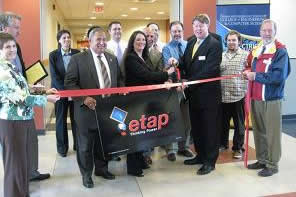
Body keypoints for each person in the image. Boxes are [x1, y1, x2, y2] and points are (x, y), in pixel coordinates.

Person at [0, 32, 59, 197]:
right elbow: (21, 98)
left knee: (22, 165)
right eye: (7, 47)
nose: (12, 50)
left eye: (13, 46)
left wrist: (43, 90)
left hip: (22, 120)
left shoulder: (9, 66)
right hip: (13, 123)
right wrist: (46, 98)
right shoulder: (2, 70)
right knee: (15, 167)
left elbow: (22, 87)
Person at [65, 27, 120, 188]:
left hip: (107, 111)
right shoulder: (77, 59)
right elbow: (69, 83)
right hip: (86, 111)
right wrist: (84, 97)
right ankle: (87, 175)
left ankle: (102, 169)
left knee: (104, 144)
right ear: (90, 41)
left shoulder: (112, 58)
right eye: (98, 39)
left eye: (104, 39)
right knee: (85, 146)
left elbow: (119, 80)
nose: (102, 42)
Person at [169, 14, 222, 175]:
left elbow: (210, 70)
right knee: (197, 128)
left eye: (201, 26)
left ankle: (210, 161)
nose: (198, 29)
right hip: (194, 94)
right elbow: (185, 62)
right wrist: (177, 63)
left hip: (209, 95)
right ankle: (200, 155)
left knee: (209, 129)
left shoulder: (214, 44)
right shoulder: (192, 41)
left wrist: (188, 81)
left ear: (208, 26)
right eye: (196, 26)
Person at [244, 19, 291, 177]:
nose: (266, 33)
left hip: (271, 99)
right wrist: (247, 72)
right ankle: (262, 159)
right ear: (260, 32)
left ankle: (272, 163)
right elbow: (249, 65)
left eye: (270, 30)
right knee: (259, 131)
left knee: (272, 133)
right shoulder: (257, 50)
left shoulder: (280, 51)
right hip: (256, 97)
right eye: (264, 30)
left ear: (275, 32)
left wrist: (255, 75)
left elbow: (278, 77)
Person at [124, 30, 175, 177]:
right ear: (132, 42)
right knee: (134, 134)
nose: (141, 42)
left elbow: (151, 76)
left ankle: (140, 161)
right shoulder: (131, 58)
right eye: (138, 40)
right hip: (135, 101)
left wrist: (165, 75)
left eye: (143, 40)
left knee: (141, 134)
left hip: (144, 101)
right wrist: (167, 73)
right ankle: (133, 167)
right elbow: (146, 76)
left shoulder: (142, 57)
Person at [162, 21, 193, 161]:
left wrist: (186, 82)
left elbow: (193, 66)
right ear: (170, 32)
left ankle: (184, 147)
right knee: (173, 118)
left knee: (187, 119)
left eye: (179, 31)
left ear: (183, 31)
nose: (177, 34)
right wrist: (177, 84)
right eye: (174, 31)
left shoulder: (189, 45)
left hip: (188, 86)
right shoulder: (166, 48)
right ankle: (171, 149)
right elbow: (167, 70)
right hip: (174, 88)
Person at [49, 30, 80, 157]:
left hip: (75, 92)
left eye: (68, 37)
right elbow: (55, 76)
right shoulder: (53, 55)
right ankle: (62, 148)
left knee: (76, 120)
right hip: (60, 92)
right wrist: (66, 92)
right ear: (59, 41)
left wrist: (74, 91)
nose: (67, 40)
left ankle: (78, 145)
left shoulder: (77, 54)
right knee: (60, 120)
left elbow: (80, 73)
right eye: (64, 38)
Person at [219, 30, 248, 159]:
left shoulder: (246, 56)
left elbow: (249, 73)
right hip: (223, 96)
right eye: (229, 40)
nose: (231, 42)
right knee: (222, 124)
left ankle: (238, 148)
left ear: (239, 41)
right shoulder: (221, 55)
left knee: (239, 125)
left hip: (238, 95)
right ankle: (222, 144)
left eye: (234, 40)